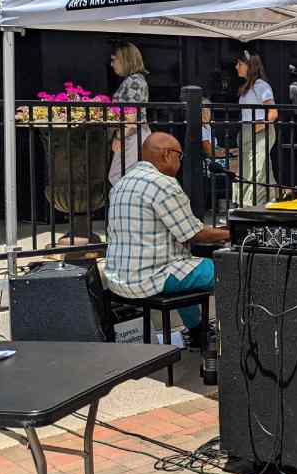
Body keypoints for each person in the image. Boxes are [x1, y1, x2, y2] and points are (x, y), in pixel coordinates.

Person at [105, 133, 230, 341]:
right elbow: (194, 234)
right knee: (230, 271)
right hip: (147, 279)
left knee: (185, 267)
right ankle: (236, 338)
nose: (179, 163)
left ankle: (198, 331)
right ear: (166, 154)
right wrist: (232, 233)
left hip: (119, 278)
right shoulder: (163, 183)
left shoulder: (123, 182)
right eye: (179, 157)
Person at [235, 51, 278, 206]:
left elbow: (273, 112)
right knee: (254, 168)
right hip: (248, 130)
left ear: (249, 66)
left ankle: (248, 205)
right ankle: (272, 199)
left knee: (256, 169)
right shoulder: (247, 88)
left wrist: (259, 126)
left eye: (239, 64)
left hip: (260, 130)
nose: (236, 67)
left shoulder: (261, 86)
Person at [108, 42, 152, 186]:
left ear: (125, 60)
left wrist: (119, 137)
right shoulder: (135, 80)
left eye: (114, 60)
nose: (112, 64)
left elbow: (130, 115)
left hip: (132, 135)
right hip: (133, 134)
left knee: (119, 178)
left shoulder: (133, 81)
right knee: (126, 177)